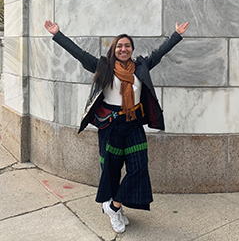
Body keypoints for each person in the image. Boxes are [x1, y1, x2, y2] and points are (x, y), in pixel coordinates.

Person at [44, 19, 189, 233]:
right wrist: (58, 34)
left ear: (132, 49)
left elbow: (159, 53)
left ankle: (113, 206)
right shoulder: (103, 66)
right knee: (111, 169)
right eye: (119, 46)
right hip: (110, 124)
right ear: (114, 49)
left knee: (139, 168)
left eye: (127, 46)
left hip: (133, 124)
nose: (123, 49)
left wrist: (176, 35)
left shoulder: (141, 66)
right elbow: (79, 54)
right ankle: (115, 208)